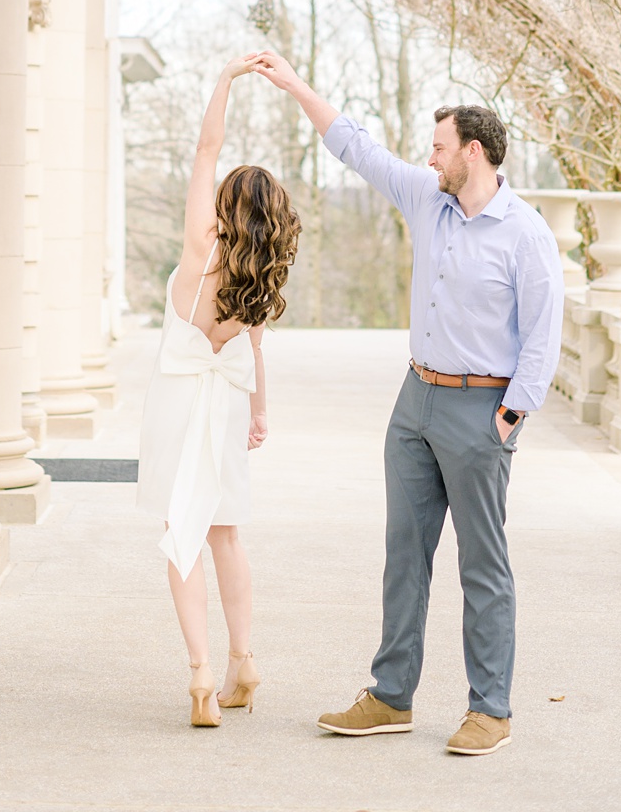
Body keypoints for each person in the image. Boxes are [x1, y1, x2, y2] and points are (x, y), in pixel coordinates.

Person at [241, 50, 563, 760]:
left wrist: (510, 417)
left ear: (471, 153)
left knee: (482, 564)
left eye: (440, 146)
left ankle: (491, 709)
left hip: (481, 411)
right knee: (403, 557)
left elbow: (543, 336)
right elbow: (356, 146)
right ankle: (391, 697)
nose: (430, 156)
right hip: (415, 401)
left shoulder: (525, 233)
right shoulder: (427, 197)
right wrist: (296, 85)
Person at [135, 57, 301, 728]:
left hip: (178, 402)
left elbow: (207, 148)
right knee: (226, 536)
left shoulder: (202, 246)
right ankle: (245, 660)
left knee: (183, 532)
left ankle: (203, 675)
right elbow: (255, 351)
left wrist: (227, 79)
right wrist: (260, 414)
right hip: (227, 403)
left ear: (226, 207)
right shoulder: (258, 278)